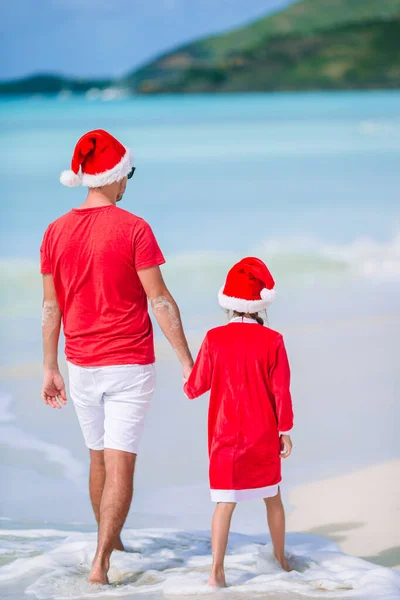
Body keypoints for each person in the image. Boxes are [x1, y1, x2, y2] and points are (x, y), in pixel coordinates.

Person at [40, 129, 193, 585]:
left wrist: (50, 367)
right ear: (114, 175)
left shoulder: (54, 231)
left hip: (79, 363)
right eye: (128, 173)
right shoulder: (134, 228)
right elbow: (160, 300)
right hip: (128, 364)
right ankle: (101, 564)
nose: (128, 182)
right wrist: (187, 360)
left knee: (99, 460)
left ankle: (112, 543)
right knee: (121, 461)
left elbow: (51, 306)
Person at [184, 257, 294, 588]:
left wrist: (187, 374)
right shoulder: (273, 340)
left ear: (229, 305)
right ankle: (280, 560)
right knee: (272, 498)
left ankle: (216, 571)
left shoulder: (214, 338)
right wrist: (284, 431)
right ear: (261, 306)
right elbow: (281, 391)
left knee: (224, 503)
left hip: (224, 439)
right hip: (262, 436)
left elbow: (195, 388)